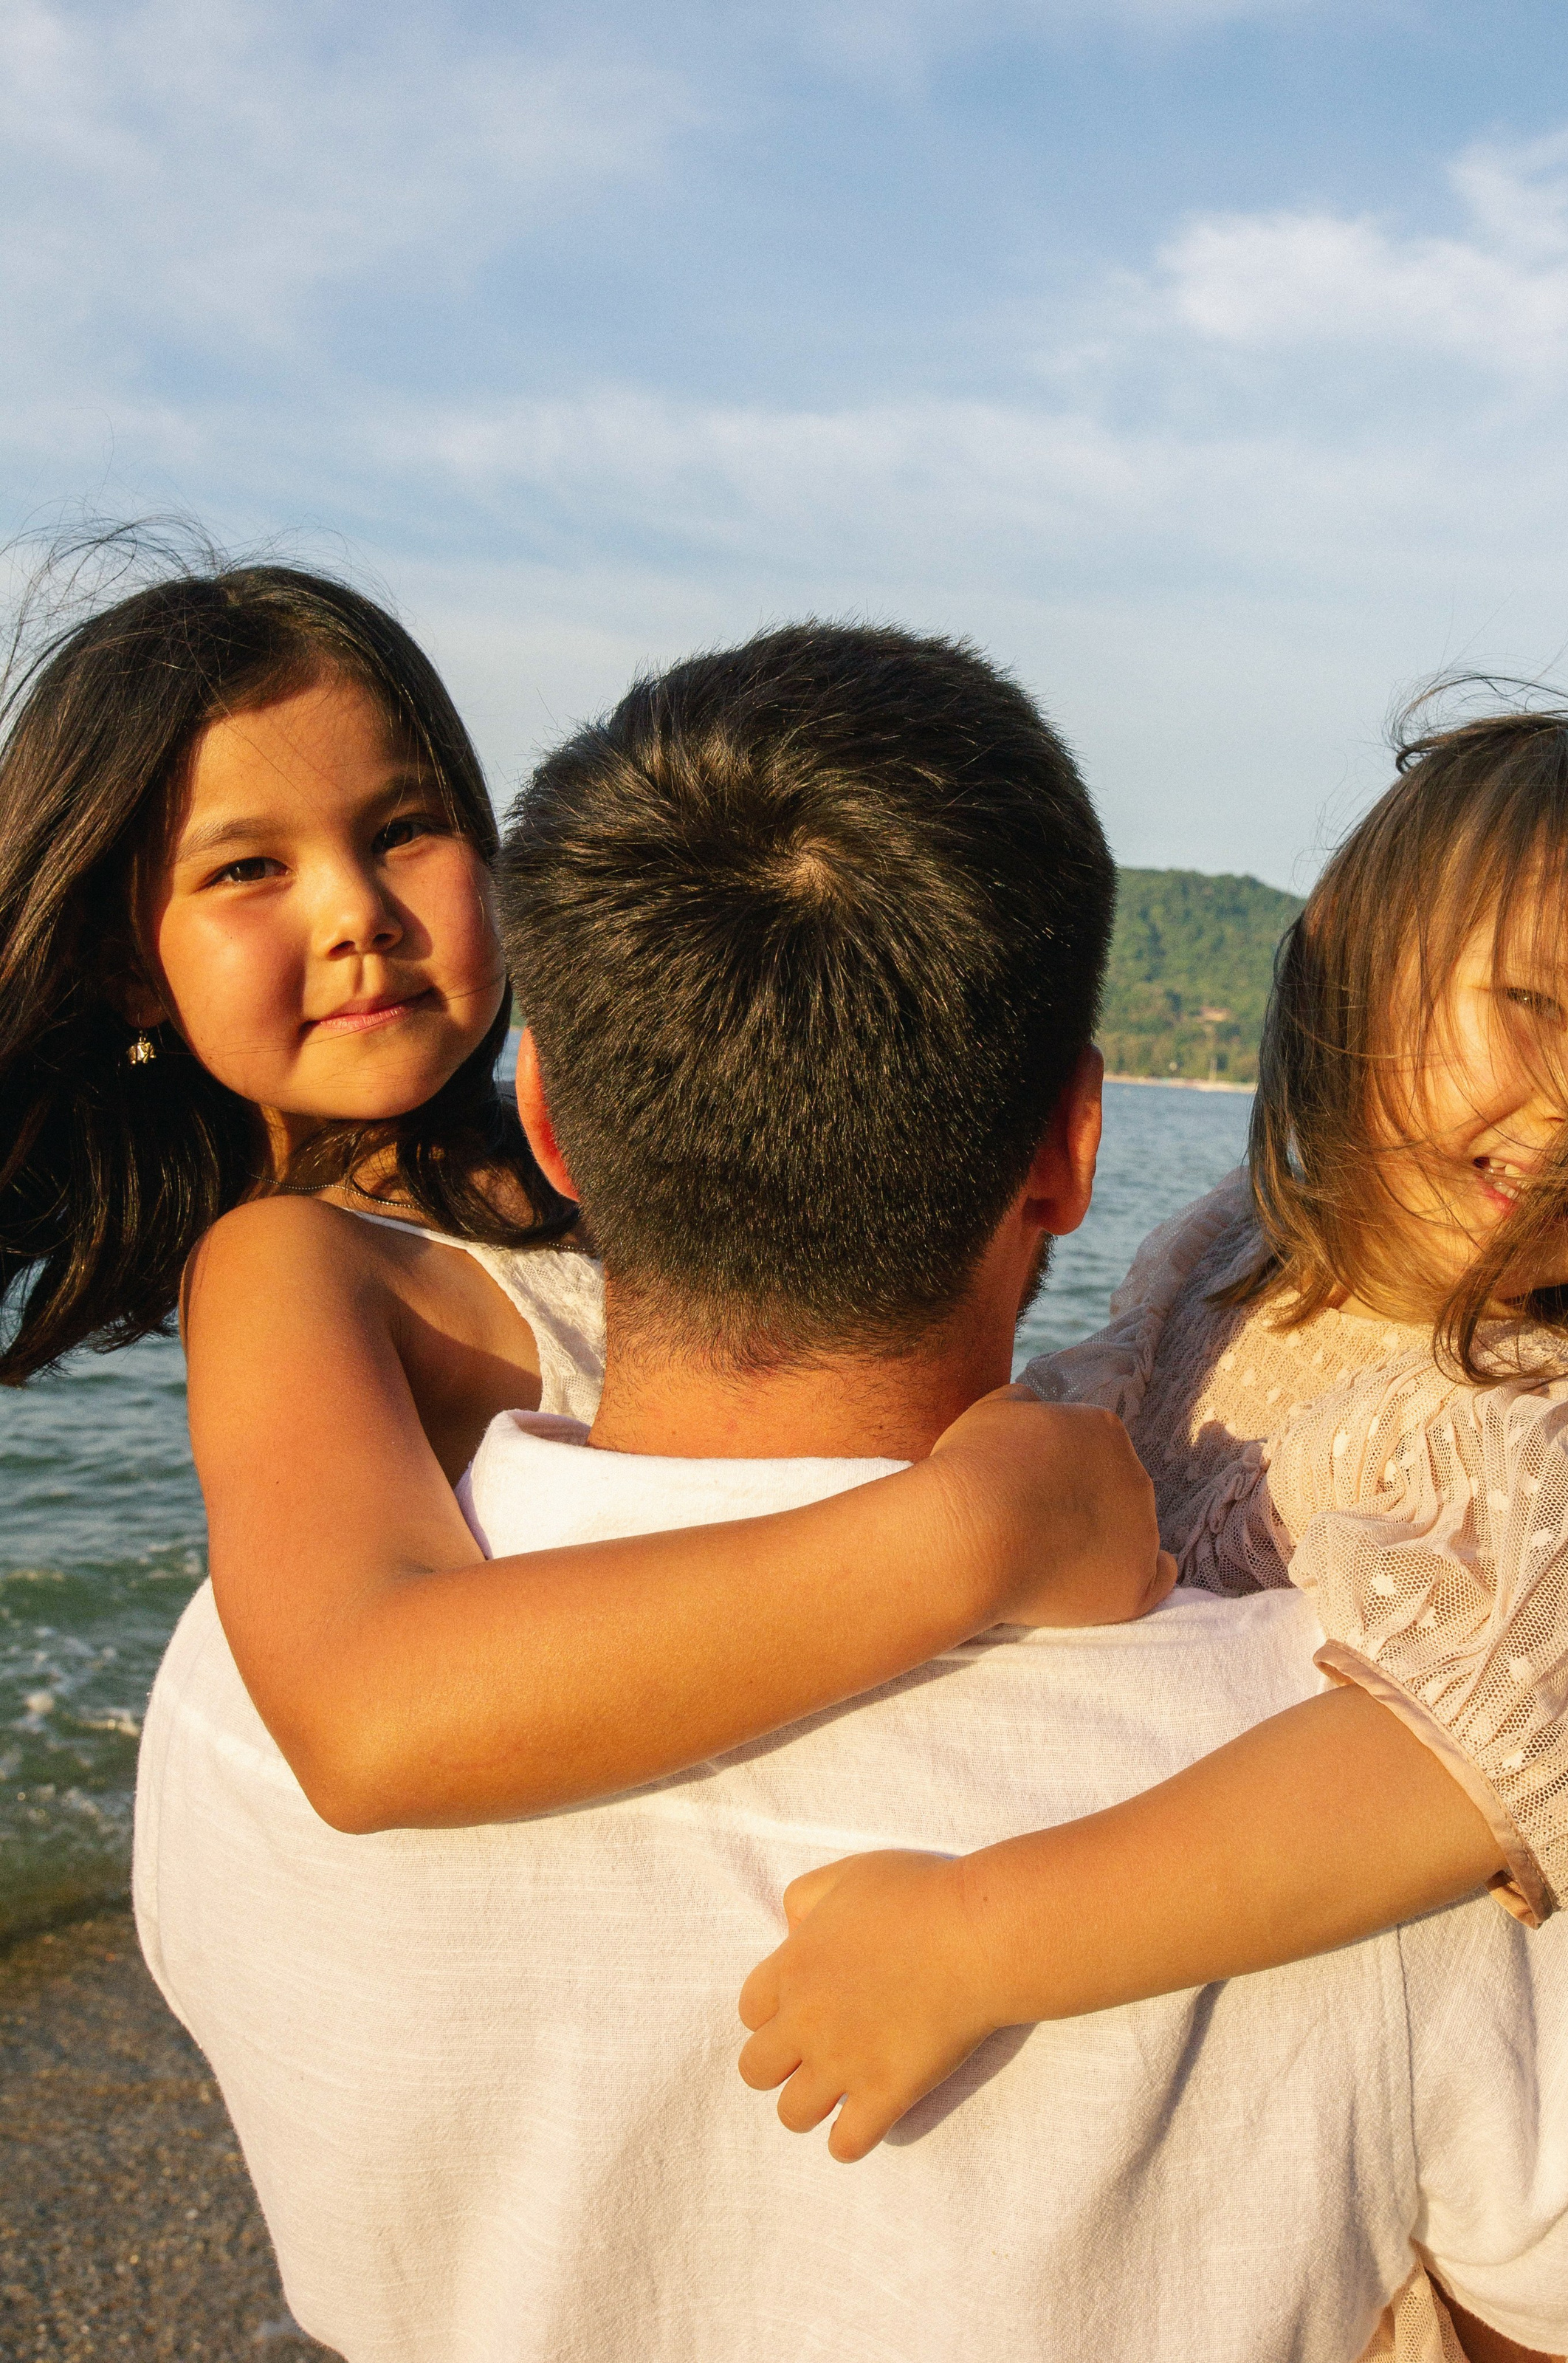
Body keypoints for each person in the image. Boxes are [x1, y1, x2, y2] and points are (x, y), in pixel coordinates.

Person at [137, 625, 1568, 2363]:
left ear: (557, 1124)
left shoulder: (220, 1708)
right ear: (1073, 1147)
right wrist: (986, 1528)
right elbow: (1562, 2309)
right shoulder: (1365, 1802)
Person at [740, 709, 1568, 2363]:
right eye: (1528, 1004)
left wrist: (974, 1938)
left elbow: (1439, 1777)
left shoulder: (1540, 1427)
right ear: (1347, 956)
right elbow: (1084, 1406)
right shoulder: (1227, 1251)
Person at [0, 555, 1168, 1838]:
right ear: (129, 969)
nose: (357, 914)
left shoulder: (590, 1164)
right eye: (245, 871)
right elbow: (368, 1720)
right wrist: (984, 1526)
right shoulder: (287, 1268)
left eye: (403, 829)